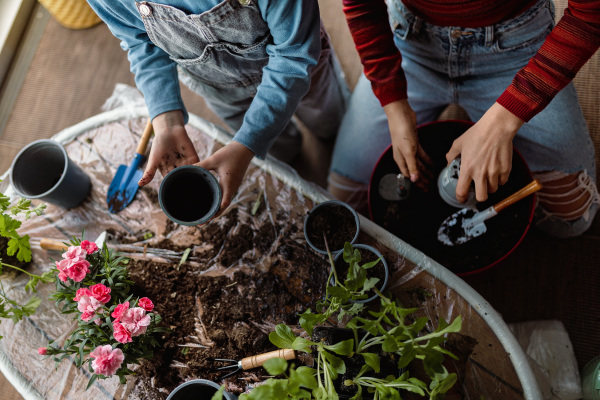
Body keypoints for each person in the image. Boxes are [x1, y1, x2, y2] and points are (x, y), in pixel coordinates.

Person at [328, 0, 600, 237]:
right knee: (342, 208)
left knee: (571, 221)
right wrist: (393, 104)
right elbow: (360, 4)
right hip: (412, 43)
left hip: (516, 48)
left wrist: (503, 123)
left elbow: (591, 13)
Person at [87, 0, 349, 217]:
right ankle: (290, 152)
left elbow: (295, 54)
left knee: (329, 120)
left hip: (304, 72)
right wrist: (166, 121)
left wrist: (247, 142)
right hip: (218, 88)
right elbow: (139, 41)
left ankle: (333, 134)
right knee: (280, 149)